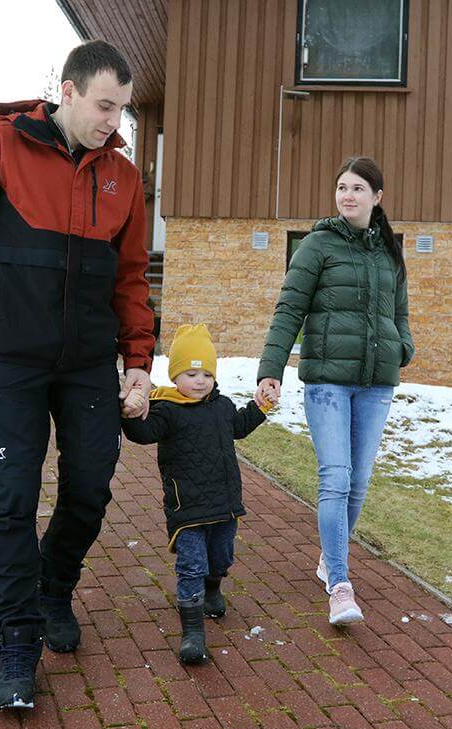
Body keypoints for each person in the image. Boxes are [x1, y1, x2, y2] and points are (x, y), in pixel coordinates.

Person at [0, 40, 155, 710]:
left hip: (86, 368)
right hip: (12, 365)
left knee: (88, 490)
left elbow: (133, 280)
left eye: (124, 110)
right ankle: (18, 636)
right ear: (69, 91)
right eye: (105, 105)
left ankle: (54, 585)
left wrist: (137, 363)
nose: (115, 121)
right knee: (13, 499)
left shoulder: (125, 179)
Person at [255, 156, 414, 626]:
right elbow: (289, 310)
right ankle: (340, 584)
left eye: (358, 188)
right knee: (336, 477)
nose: (348, 195)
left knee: (359, 481)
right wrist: (272, 369)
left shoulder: (388, 250)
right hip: (326, 380)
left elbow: (400, 311)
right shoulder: (317, 246)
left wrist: (401, 347)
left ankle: (331, 556)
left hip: (376, 383)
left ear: (377, 197)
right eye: (342, 186)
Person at [121, 325, 270, 664]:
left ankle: (214, 587)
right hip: (187, 507)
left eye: (206, 374)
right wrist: (129, 415)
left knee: (221, 558)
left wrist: (259, 408)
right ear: (175, 376)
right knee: (191, 566)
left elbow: (240, 425)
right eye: (191, 373)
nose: (200, 380)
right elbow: (143, 433)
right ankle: (192, 631)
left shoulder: (222, 406)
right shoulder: (165, 410)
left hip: (225, 505)